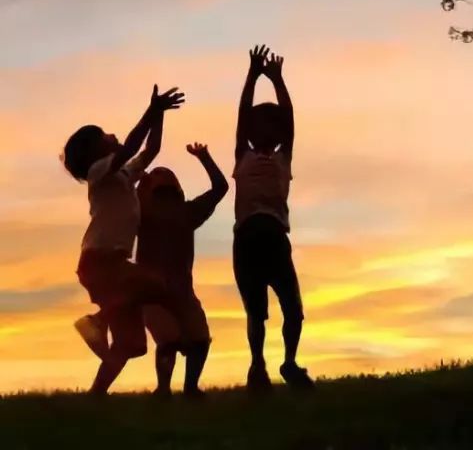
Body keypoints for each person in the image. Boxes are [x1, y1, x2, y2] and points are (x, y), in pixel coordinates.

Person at [62, 85, 185, 394]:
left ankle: (95, 396)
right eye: (105, 136)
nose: (112, 136)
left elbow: (150, 150)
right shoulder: (98, 172)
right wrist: (151, 110)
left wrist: (160, 116)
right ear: (93, 152)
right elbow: (130, 147)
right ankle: (98, 320)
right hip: (101, 262)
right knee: (157, 286)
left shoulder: (123, 177)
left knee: (131, 345)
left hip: (109, 266)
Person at [233, 45, 313, 392]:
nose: (264, 128)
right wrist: (252, 75)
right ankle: (257, 366)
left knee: (293, 310)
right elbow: (242, 114)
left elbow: (289, 117)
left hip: (276, 239)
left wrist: (277, 79)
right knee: (256, 312)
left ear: (279, 134)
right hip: (247, 240)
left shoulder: (284, 157)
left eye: (272, 124)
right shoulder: (242, 154)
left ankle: (289, 362)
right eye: (259, 124)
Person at [136, 143, 228, 399]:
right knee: (169, 339)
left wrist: (205, 157)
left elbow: (220, 188)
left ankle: (189, 388)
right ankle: (164, 389)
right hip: (152, 293)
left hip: (182, 292)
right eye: (156, 174)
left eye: (164, 173)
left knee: (199, 340)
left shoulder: (186, 212)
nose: (160, 175)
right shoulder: (142, 213)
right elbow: (220, 189)